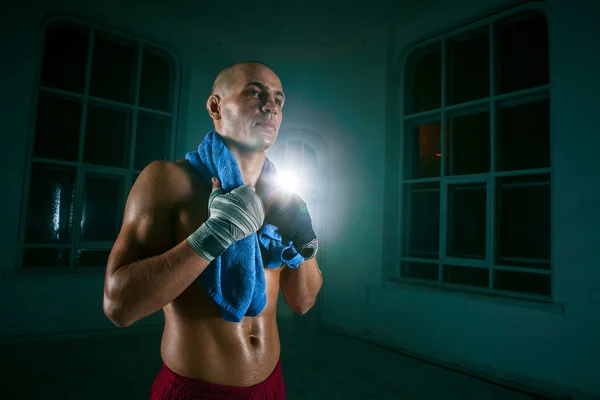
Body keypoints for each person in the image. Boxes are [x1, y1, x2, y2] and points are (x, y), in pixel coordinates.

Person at [102, 61, 323, 399]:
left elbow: (303, 302)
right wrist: (214, 235)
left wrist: (306, 243)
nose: (271, 107)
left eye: (279, 100)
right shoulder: (168, 181)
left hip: (272, 387)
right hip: (197, 390)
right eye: (255, 92)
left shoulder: (283, 197)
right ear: (215, 106)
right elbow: (119, 306)